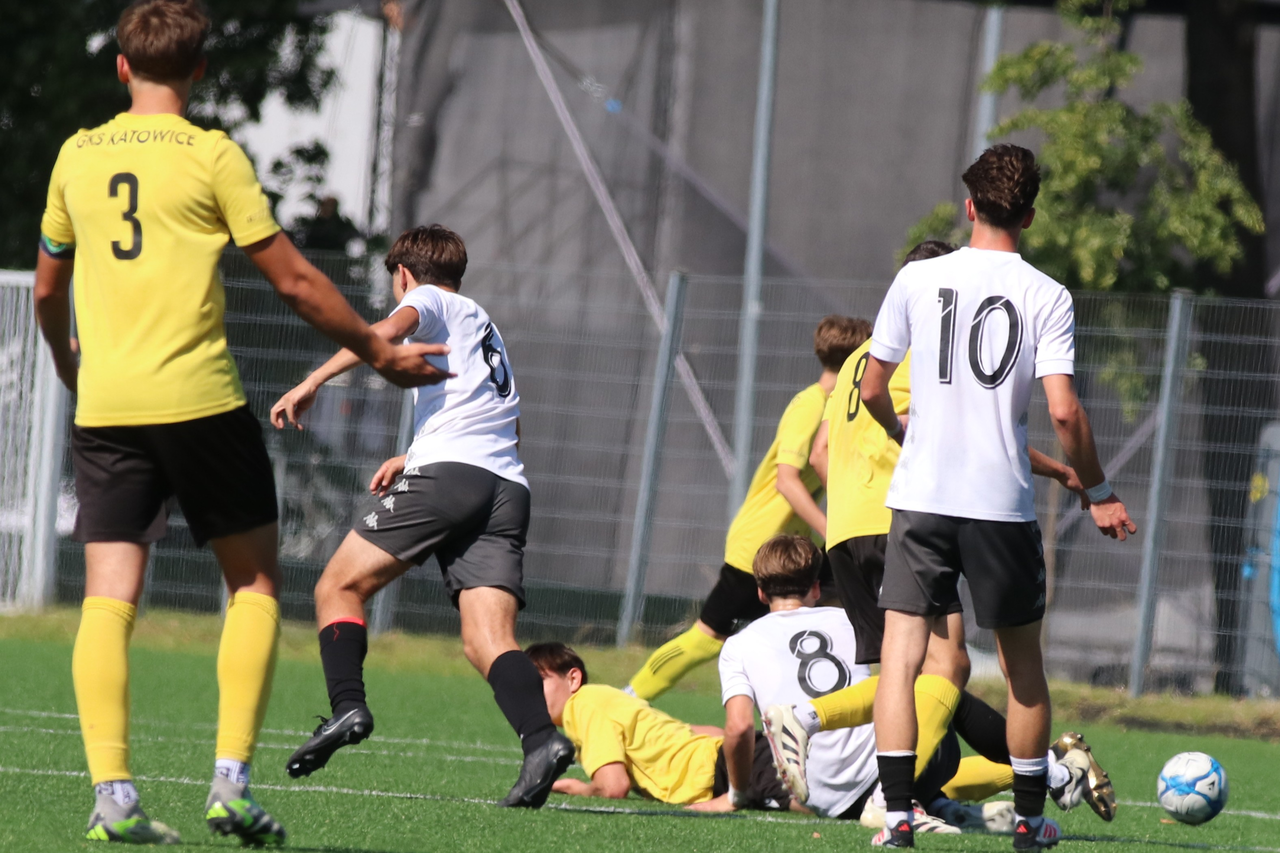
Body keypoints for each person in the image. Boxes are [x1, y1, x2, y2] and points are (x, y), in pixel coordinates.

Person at [32, 0, 444, 844]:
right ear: (200, 70)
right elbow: (294, 281)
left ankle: (113, 797)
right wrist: (375, 348)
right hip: (200, 403)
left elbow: (46, 290)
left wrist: (71, 365)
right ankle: (229, 784)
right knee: (253, 584)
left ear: (121, 66)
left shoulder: (76, 155)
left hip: (108, 408)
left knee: (108, 599)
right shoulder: (211, 154)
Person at [766, 242, 1116, 835]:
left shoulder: (858, 361)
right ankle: (830, 739)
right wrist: (1061, 471)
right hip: (903, 518)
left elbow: (822, 454)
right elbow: (974, 436)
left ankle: (945, 793)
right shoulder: (923, 346)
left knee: (907, 677)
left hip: (848, 529)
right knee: (946, 667)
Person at [859, 144, 1135, 849]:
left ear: (969, 206)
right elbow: (1065, 412)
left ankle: (897, 818)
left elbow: (872, 386)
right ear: (1031, 216)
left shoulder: (918, 278)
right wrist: (1099, 490)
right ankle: (1030, 822)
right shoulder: (1047, 294)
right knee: (1022, 670)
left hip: (921, 499)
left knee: (901, 659)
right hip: (1000, 507)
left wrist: (903, 433)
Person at [273, 224, 573, 808]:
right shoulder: (484, 326)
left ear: (404, 275)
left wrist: (314, 381)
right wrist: (414, 455)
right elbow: (503, 424)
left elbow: (379, 336)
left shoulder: (428, 298)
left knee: (337, 587)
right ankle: (541, 741)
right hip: (506, 485)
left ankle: (347, 707)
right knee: (487, 639)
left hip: (451, 477)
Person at [625, 316, 868, 700]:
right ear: (857, 358)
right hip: (762, 544)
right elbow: (786, 481)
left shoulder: (836, 405)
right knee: (707, 638)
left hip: (793, 547)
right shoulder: (811, 405)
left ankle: (832, 715)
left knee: (840, 617)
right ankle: (627, 699)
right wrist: (831, 528)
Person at [530, 642, 795, 810]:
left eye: (537, 681)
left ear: (573, 679)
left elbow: (613, 787)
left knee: (811, 802)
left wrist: (580, 789)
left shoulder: (581, 705)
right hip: (735, 759)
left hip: (722, 768)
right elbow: (698, 731)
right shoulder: (604, 699)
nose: (528, 693)